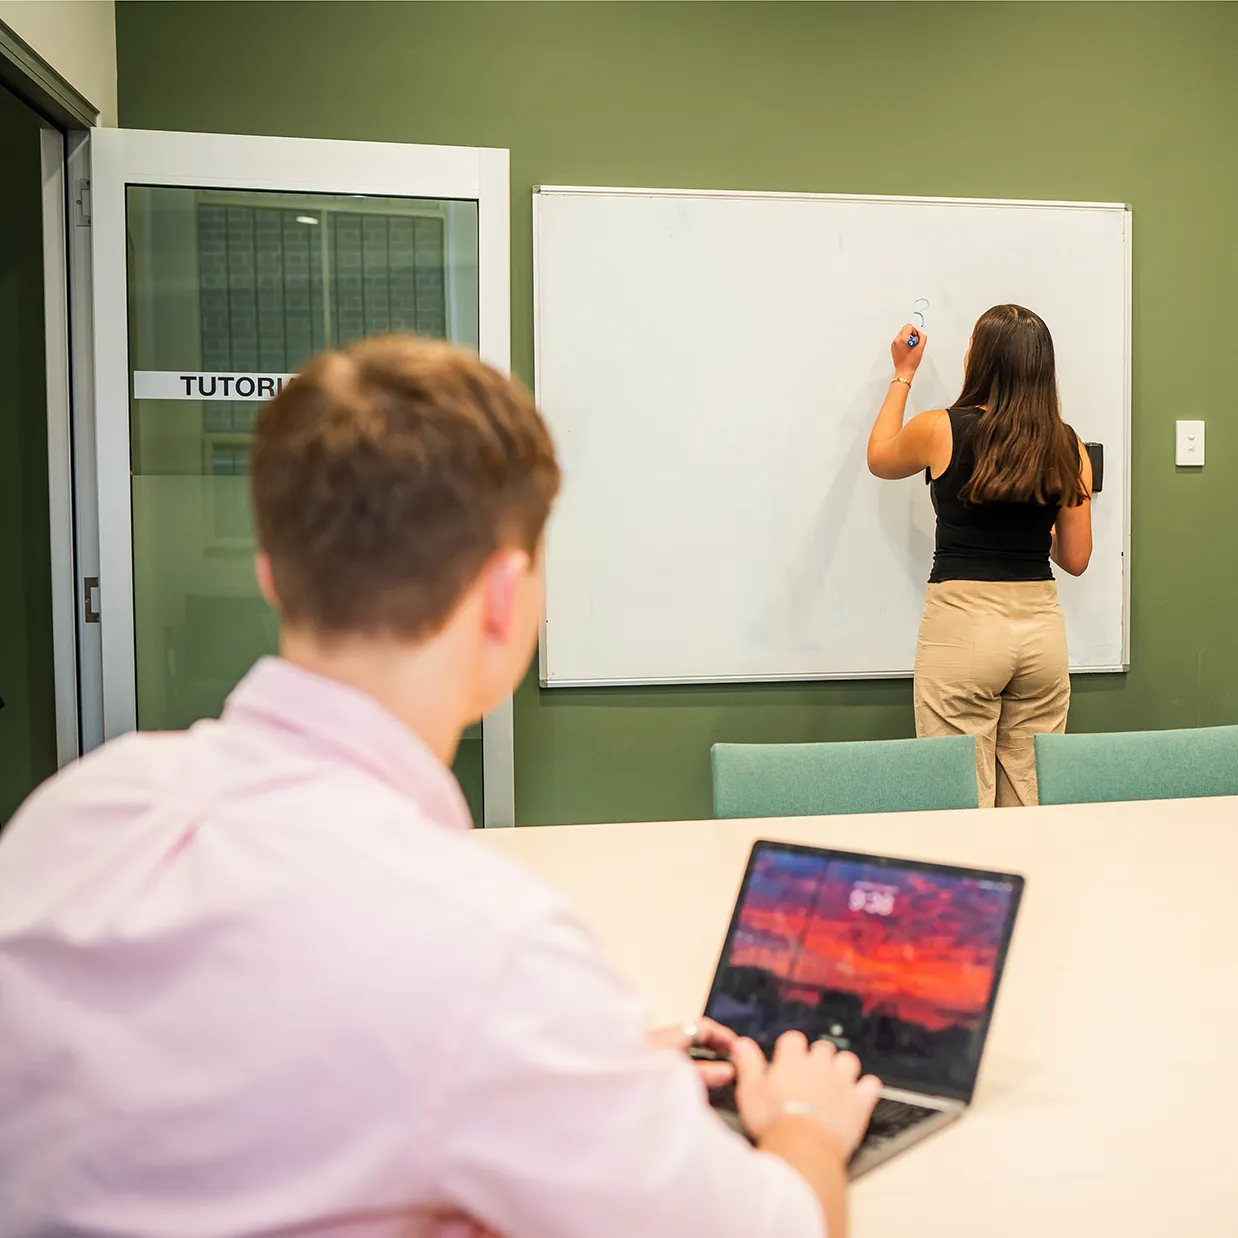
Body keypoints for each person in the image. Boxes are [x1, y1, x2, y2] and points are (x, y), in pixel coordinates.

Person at [0, 336, 880, 1238]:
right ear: (504, 599)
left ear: (271, 573)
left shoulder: (72, 815)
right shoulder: (489, 957)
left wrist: (564, 1074)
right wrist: (806, 1125)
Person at [866, 304, 1093, 807]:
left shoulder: (940, 428)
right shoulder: (1068, 443)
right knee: (1029, 801)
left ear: (979, 358)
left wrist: (902, 376)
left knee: (959, 801)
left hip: (964, 627)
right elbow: (1076, 558)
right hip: (1040, 635)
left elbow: (879, 457)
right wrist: (1029, 517)